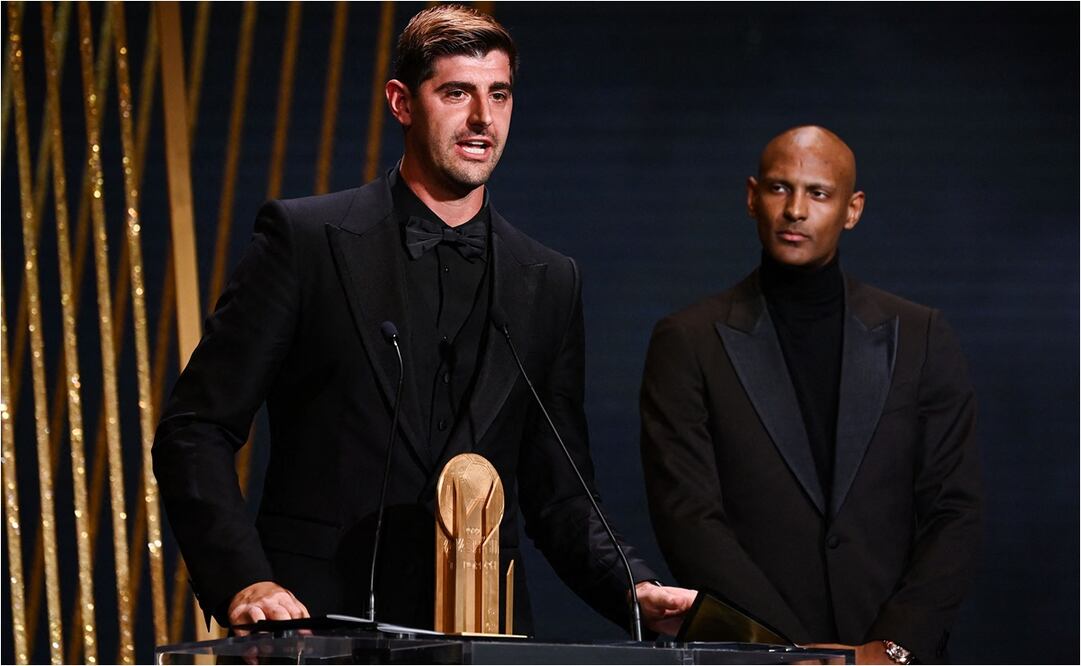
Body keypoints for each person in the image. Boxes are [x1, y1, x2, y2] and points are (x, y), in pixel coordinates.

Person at [152, 4, 695, 637]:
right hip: (316, 626)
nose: (482, 118)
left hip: (482, 633)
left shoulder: (548, 280)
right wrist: (245, 580)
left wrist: (632, 588)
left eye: (499, 94)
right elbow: (195, 429)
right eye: (457, 92)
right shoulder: (306, 242)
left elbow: (561, 490)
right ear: (402, 102)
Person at [639, 126, 981, 663]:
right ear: (752, 197)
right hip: (752, 656)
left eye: (818, 193)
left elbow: (954, 511)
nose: (795, 210)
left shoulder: (921, 337)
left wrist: (891, 649)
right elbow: (688, 518)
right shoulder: (688, 341)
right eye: (780, 188)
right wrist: (790, 652)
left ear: (852, 209)